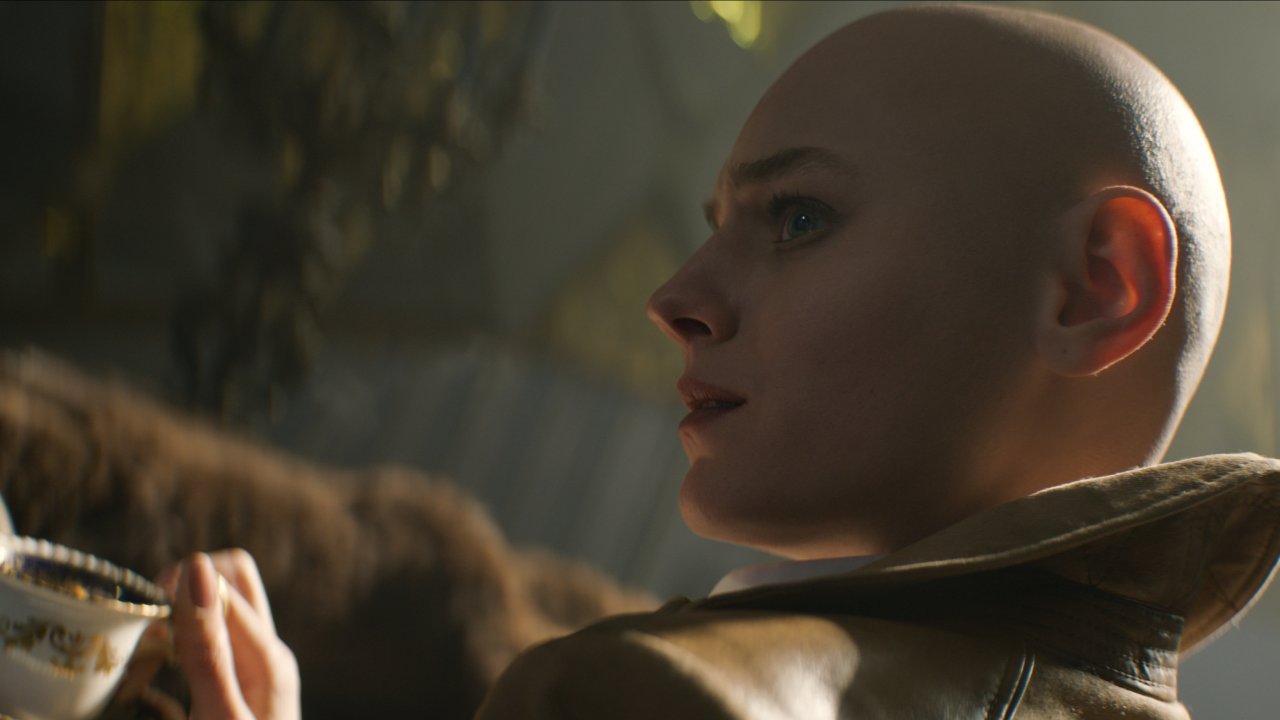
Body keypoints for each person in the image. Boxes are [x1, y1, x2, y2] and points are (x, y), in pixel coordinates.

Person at [159, 3, 1280, 718]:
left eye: (797, 218)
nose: (673, 303)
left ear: (1095, 285)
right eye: (716, 226)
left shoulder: (641, 696)